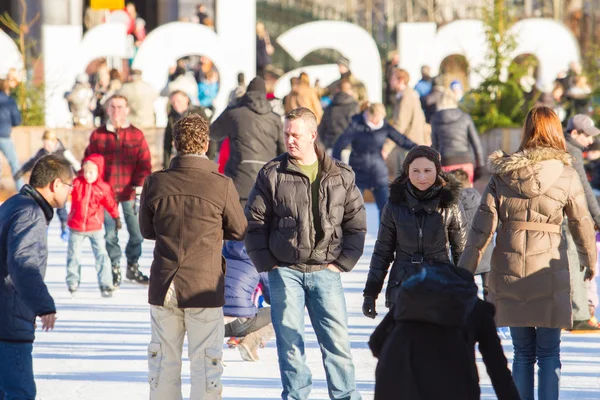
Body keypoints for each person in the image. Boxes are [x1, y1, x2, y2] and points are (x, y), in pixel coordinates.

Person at [458, 105, 597, 400]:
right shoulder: (566, 173)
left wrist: (464, 270)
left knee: (522, 353)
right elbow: (581, 222)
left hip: (510, 266)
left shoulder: (502, 174)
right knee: (549, 353)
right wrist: (589, 261)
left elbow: (481, 229)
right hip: (549, 270)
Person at [245, 107, 366, 400]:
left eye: (295, 135)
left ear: (312, 135)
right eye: (286, 134)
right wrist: (269, 264)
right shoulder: (271, 173)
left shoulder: (341, 174)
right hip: (285, 272)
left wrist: (343, 263)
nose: (289, 140)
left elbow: (357, 223)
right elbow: (254, 224)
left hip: (327, 271)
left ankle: (346, 396)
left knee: (337, 345)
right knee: (289, 345)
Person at [139, 114, 247, 400]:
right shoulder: (220, 185)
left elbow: (146, 230)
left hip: (165, 284)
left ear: (174, 144)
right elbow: (239, 230)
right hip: (204, 283)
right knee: (206, 365)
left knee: (164, 364)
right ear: (206, 143)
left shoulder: (155, 183)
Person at [369, 264, 520, 400]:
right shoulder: (474, 306)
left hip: (395, 375)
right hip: (453, 381)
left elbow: (376, 341)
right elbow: (498, 369)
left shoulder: (413, 299)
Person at [0, 155, 73, 399]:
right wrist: (43, 304)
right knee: (19, 393)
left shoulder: (16, 204)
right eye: (69, 186)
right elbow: (23, 263)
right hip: (8, 321)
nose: (70, 192)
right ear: (55, 185)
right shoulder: (30, 213)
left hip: (7, 316)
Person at [362, 145, 466, 316]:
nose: (422, 176)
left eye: (427, 170)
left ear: (437, 171)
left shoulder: (450, 204)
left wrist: (464, 291)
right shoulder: (394, 205)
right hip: (402, 285)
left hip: (440, 285)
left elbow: (461, 252)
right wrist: (370, 293)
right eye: (415, 170)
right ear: (407, 171)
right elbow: (382, 252)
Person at [84, 94, 152, 287]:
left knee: (137, 233)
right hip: (106, 194)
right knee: (110, 234)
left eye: (120, 107)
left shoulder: (136, 134)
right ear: (108, 110)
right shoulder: (98, 135)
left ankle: (133, 265)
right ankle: (114, 267)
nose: (116, 111)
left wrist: (139, 185)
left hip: (130, 192)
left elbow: (145, 163)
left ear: (127, 110)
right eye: (113, 107)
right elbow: (89, 161)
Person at [208, 77, 285, 206]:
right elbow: (283, 150)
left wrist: (230, 107)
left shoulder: (234, 114)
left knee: (238, 223)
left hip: (239, 180)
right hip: (267, 181)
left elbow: (213, 133)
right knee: (262, 223)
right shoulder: (275, 119)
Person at [332, 103, 417, 217]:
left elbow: (401, 140)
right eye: (376, 119)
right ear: (369, 114)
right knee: (355, 210)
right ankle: (355, 234)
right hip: (359, 171)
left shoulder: (384, 126)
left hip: (378, 172)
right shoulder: (356, 125)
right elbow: (339, 145)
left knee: (386, 209)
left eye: (380, 119)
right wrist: (335, 167)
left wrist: (419, 148)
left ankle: (386, 234)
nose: (378, 122)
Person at [563, 114, 600, 331]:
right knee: (575, 258)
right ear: (575, 133)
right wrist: (597, 217)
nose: (590, 141)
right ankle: (578, 314)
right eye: (587, 136)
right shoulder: (572, 151)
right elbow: (583, 189)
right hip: (568, 214)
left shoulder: (567, 147)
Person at [66, 154, 121, 298]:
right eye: (86, 171)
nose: (88, 175)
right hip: (76, 227)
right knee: (74, 256)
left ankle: (106, 284)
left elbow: (110, 203)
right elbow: (66, 190)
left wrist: (116, 217)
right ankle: (73, 282)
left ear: (99, 171)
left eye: (91, 172)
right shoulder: (77, 183)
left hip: (95, 227)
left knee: (102, 256)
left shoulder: (102, 187)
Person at [14, 129, 81, 242]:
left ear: (54, 142)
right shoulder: (42, 153)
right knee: (42, 207)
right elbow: (31, 162)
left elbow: (75, 164)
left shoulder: (63, 153)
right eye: (44, 143)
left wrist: (80, 176)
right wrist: (21, 171)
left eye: (48, 144)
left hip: (59, 187)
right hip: (46, 187)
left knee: (61, 208)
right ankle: (42, 228)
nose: (46, 146)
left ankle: (64, 226)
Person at [222, 240, 274, 362]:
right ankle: (252, 340)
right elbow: (272, 297)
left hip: (213, 322)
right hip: (240, 323)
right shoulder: (259, 261)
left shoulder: (220, 255)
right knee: (281, 311)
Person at [449, 169, 492, 298]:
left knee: (465, 289)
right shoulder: (483, 200)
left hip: (463, 255)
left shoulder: (452, 206)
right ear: (470, 183)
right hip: (486, 252)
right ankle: (491, 314)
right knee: (488, 289)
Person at [431, 89, 485, 183]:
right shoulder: (465, 117)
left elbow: (435, 145)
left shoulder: (435, 118)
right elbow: (476, 143)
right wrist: (480, 165)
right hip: (465, 161)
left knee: (448, 195)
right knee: (468, 194)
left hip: (446, 162)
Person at [387, 68, 429, 180]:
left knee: (404, 182)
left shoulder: (406, 97)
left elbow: (399, 125)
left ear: (400, 80)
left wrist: (386, 147)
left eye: (392, 79)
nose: (390, 82)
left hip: (407, 145)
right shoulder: (409, 95)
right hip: (413, 145)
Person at [163, 90, 208, 169]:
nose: (176, 104)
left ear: (186, 99)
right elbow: (167, 142)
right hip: (180, 157)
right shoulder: (172, 117)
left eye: (179, 101)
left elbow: (209, 135)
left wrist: (209, 158)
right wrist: (165, 166)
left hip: (199, 155)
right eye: (173, 102)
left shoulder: (198, 112)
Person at [318, 79, 360, 151]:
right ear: (350, 90)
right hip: (349, 146)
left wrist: (325, 143)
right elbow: (357, 127)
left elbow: (321, 128)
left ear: (337, 90)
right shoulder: (354, 106)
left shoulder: (329, 107)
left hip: (331, 145)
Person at [0, 78, 24, 190]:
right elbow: (17, 120)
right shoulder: (9, 101)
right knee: (14, 164)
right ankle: (22, 191)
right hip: (4, 136)